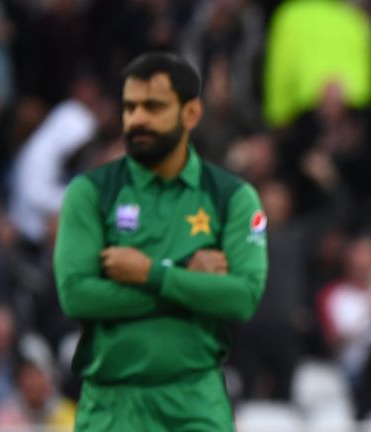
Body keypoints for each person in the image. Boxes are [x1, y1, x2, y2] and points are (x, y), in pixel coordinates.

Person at [53, 52, 268, 431]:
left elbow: (243, 298)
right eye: (130, 107)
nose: (137, 119)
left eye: (153, 107)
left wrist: (151, 273)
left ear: (191, 114)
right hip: (111, 404)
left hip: (195, 402)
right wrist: (187, 277)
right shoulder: (89, 192)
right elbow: (76, 296)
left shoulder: (233, 196)